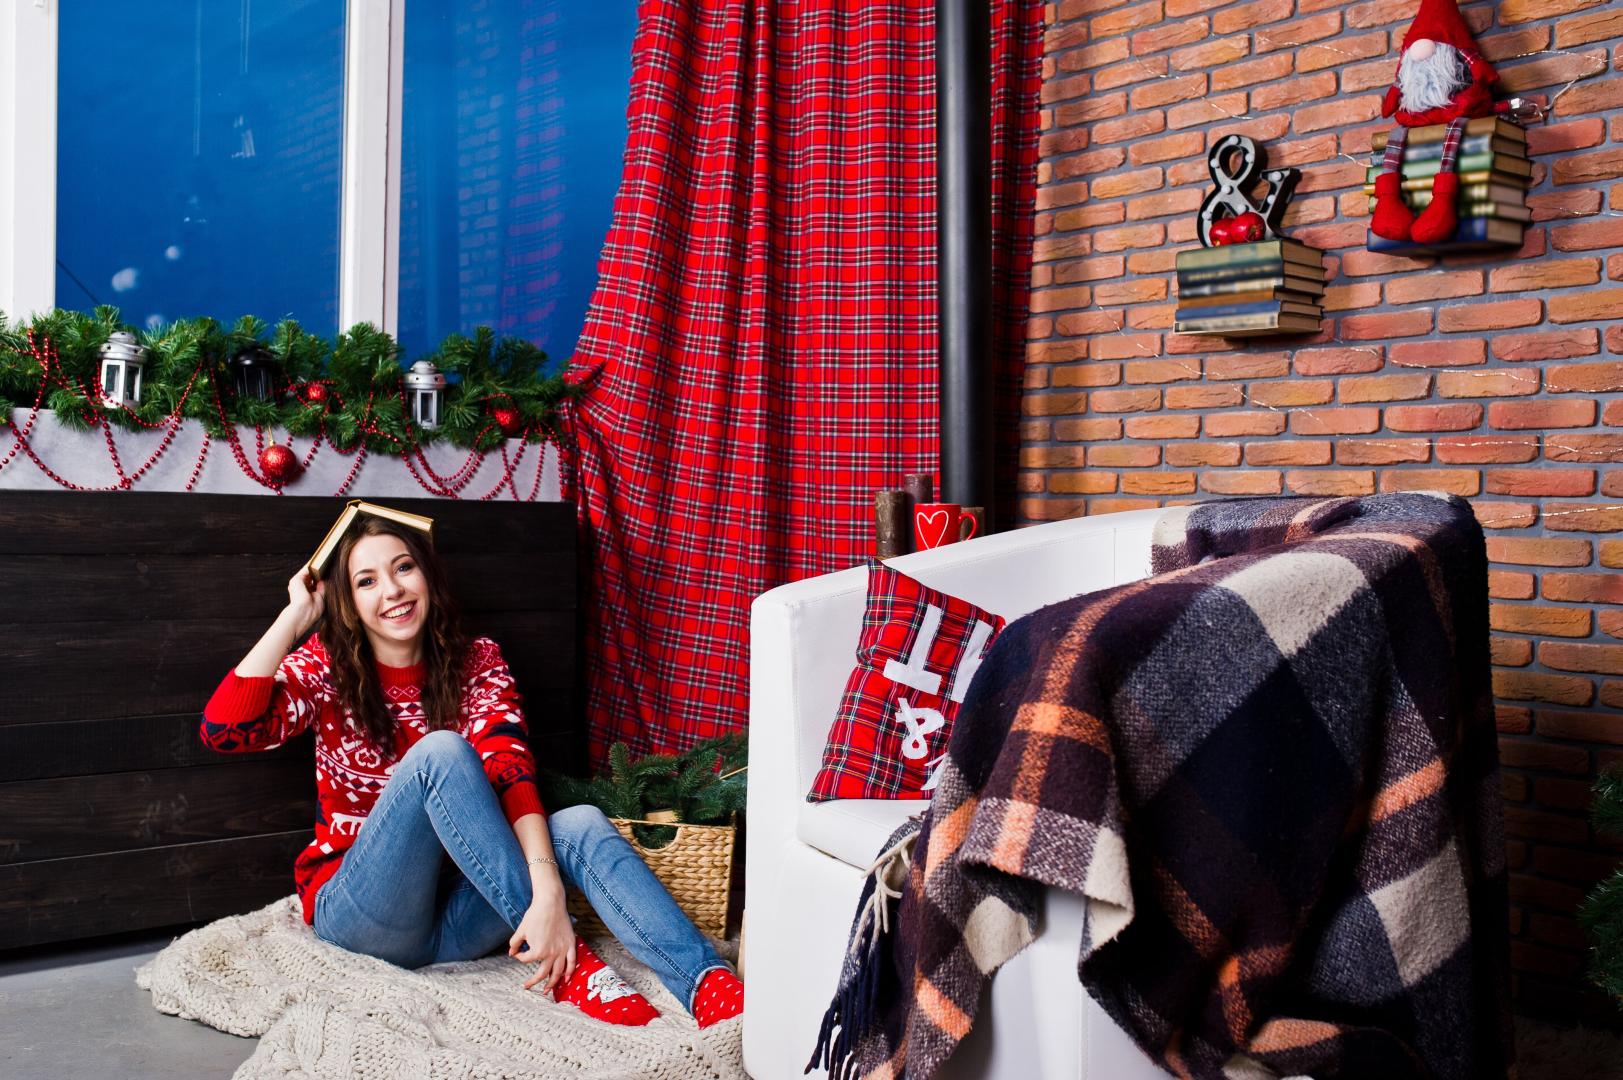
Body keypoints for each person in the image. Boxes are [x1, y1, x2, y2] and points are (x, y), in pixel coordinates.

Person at [200, 513, 744, 1028]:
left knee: (577, 822)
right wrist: (295, 616)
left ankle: (707, 984)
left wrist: (549, 889)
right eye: (366, 581)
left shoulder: (478, 661)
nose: (392, 590)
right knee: (441, 753)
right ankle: (570, 967)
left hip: (458, 918)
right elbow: (223, 729)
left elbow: (511, 774)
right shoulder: (327, 667)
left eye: (403, 567)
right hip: (363, 914)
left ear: (427, 576)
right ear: (348, 603)